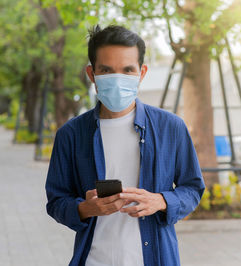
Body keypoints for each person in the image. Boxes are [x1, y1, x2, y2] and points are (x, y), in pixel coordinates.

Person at [45, 25, 205, 266]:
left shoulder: (171, 127)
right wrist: (86, 208)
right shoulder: (71, 134)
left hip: (155, 259)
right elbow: (56, 201)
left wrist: (161, 201)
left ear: (141, 73)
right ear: (92, 74)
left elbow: (192, 188)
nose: (118, 79)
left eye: (128, 70)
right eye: (107, 70)